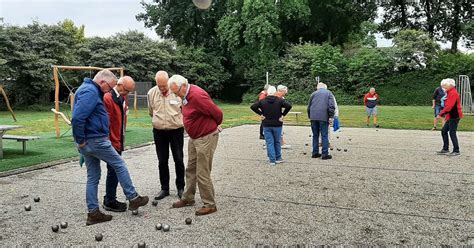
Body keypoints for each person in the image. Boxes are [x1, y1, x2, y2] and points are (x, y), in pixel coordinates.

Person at [72, 70, 148, 225]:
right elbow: (77, 118)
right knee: (119, 164)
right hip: (95, 139)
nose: (108, 91)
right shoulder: (90, 91)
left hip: (89, 140)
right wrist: (80, 140)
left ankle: (93, 213)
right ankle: (133, 197)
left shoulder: (88, 89)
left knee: (93, 176)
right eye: (109, 87)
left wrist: (81, 141)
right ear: (102, 82)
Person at [169, 75, 223, 216]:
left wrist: (214, 126)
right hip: (194, 137)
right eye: (173, 92)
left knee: (202, 172)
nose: (175, 95)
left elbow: (217, 113)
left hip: (205, 137)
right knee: (191, 168)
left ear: (184, 86)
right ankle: (188, 198)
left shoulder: (197, 95)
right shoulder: (185, 95)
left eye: (176, 92)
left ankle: (210, 204)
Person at [147, 71, 185, 200]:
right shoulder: (151, 93)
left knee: (178, 159)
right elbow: (151, 112)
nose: (162, 88)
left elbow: (184, 110)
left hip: (176, 130)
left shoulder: (177, 93)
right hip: (159, 131)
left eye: (164, 85)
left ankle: (181, 188)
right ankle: (165, 188)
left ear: (168, 82)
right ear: (156, 82)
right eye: (159, 86)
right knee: (162, 160)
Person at [102, 76, 135, 212]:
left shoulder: (121, 97)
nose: (127, 93)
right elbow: (106, 122)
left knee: (114, 170)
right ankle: (110, 200)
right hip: (111, 141)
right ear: (119, 84)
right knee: (114, 170)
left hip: (118, 139)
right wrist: (109, 141)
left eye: (129, 91)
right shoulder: (108, 98)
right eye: (126, 90)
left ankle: (110, 198)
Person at [251, 86, 292, 166]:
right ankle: (278, 158)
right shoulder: (280, 100)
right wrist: (283, 115)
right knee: (277, 141)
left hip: (266, 124)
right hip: (277, 123)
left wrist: (261, 114)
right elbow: (289, 106)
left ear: (267, 93)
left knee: (269, 142)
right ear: (275, 92)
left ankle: (272, 160)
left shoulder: (262, 101)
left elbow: (253, 107)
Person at [308, 82, 335, 160]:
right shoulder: (329, 93)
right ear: (325, 87)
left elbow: (309, 106)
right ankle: (325, 154)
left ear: (318, 88)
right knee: (324, 135)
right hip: (323, 117)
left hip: (313, 117)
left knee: (315, 135)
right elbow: (331, 106)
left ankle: (315, 153)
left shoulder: (313, 94)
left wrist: (310, 116)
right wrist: (331, 116)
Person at [436, 78, 464, 156]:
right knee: (444, 131)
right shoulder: (449, 92)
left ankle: (456, 150)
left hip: (454, 116)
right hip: (451, 115)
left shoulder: (453, 93)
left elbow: (449, 106)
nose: (444, 87)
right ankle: (445, 148)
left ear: (450, 85)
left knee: (452, 132)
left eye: (445, 85)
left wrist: (441, 114)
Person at [276, 85, 291, 149]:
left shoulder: (281, 97)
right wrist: (283, 114)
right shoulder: (278, 97)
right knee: (277, 129)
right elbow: (288, 106)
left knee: (279, 130)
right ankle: (281, 143)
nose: (286, 92)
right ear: (281, 90)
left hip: (278, 115)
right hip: (276, 115)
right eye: (285, 90)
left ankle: (282, 143)